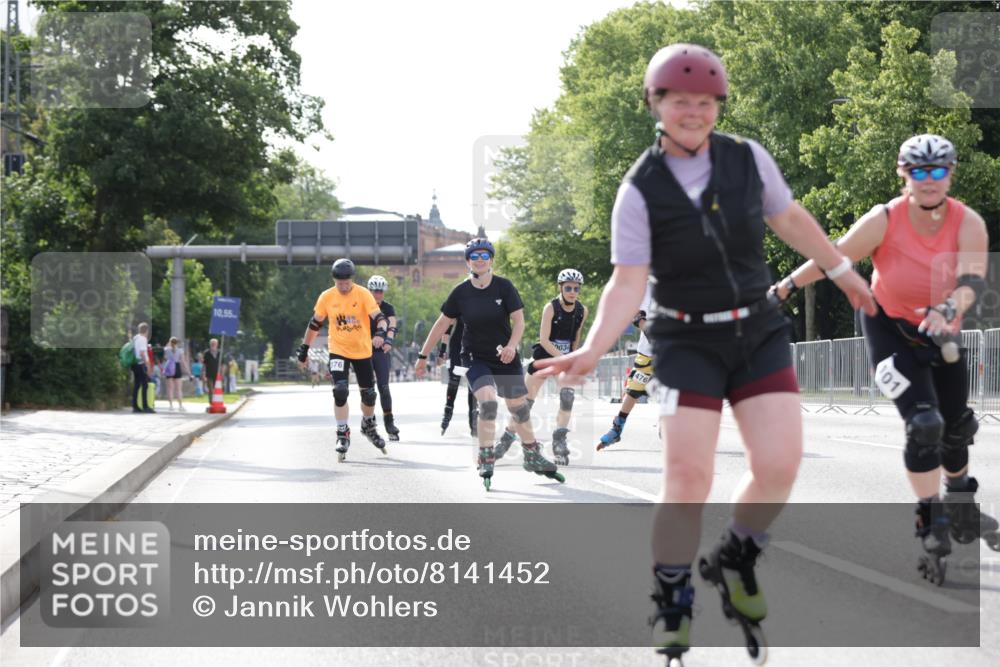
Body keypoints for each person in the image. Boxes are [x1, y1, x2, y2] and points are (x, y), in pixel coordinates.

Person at [534, 43, 876, 662]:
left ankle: (736, 555)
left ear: (718, 104)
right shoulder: (639, 189)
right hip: (684, 338)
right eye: (678, 101)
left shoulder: (747, 158)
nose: (693, 112)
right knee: (689, 477)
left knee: (779, 464)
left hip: (756, 330)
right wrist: (592, 348)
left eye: (705, 101)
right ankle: (672, 594)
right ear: (655, 104)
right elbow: (626, 283)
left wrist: (842, 269)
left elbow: (790, 218)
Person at [775, 134, 998, 581]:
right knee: (925, 425)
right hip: (888, 329)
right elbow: (833, 258)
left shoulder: (968, 223)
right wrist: (785, 287)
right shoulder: (884, 219)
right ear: (904, 174)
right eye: (919, 171)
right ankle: (930, 517)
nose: (929, 180)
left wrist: (948, 308)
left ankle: (960, 499)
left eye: (938, 171)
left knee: (957, 427)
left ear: (950, 174)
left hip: (940, 329)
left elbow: (972, 281)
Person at [415, 238, 564, 490]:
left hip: (505, 356)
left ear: (492, 260)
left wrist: (511, 346)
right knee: (488, 401)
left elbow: (519, 322)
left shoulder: (504, 287)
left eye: (485, 255)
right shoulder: (460, 293)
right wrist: (422, 356)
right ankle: (485, 456)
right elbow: (442, 324)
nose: (480, 260)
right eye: (474, 256)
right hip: (475, 357)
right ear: (468, 262)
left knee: (518, 407)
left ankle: (532, 454)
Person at [297, 258, 390, 462]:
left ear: (352, 279)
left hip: (362, 351)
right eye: (340, 283)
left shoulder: (363, 294)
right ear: (334, 280)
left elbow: (380, 318)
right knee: (340, 390)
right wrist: (304, 349)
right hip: (338, 350)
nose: (344, 286)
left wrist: (381, 333)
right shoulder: (327, 297)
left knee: (369, 396)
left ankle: (368, 424)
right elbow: (314, 324)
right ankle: (342, 432)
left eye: (347, 283)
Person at [494, 268, 588, 465]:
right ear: (560, 288)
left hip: (564, 359)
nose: (572, 292)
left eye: (576, 288)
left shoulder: (582, 310)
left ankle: (559, 441)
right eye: (568, 288)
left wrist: (572, 357)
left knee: (567, 397)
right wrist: (563, 358)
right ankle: (506, 439)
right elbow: (544, 340)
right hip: (544, 357)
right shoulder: (551, 308)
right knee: (524, 405)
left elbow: (575, 337)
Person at [596, 278, 655, 450]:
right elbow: (638, 317)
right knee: (633, 391)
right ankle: (617, 428)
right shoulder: (647, 286)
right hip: (649, 351)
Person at [367, 275, 401, 441]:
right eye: (375, 291)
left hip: (381, 351)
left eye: (380, 291)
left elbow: (392, 325)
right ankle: (369, 421)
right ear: (369, 291)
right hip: (364, 350)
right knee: (368, 390)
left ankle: (389, 422)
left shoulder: (387, 308)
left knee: (384, 387)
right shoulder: (363, 306)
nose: (378, 294)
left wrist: (388, 341)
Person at [438, 315, 478, 436]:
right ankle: (448, 410)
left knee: (473, 384)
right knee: (454, 380)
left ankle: (474, 420)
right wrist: (442, 350)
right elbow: (447, 328)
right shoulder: (457, 304)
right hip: (457, 346)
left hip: (475, 346)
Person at [130, 322, 154, 413]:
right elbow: (143, 353)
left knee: (137, 385)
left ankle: (135, 406)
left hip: (134, 364)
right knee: (145, 385)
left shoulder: (135, 338)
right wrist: (148, 365)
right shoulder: (143, 339)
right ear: (146, 330)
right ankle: (145, 407)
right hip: (141, 364)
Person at [163, 337, 189, 411]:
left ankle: (171, 406)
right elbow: (183, 361)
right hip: (177, 367)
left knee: (170, 389)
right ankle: (180, 406)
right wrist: (188, 371)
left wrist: (169, 343)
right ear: (177, 343)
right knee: (179, 389)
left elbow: (165, 357)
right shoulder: (180, 350)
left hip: (169, 367)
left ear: (170, 342)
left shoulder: (167, 349)